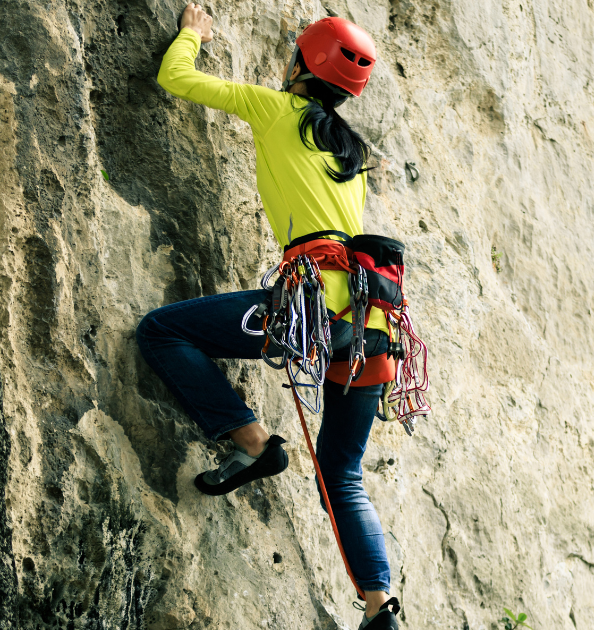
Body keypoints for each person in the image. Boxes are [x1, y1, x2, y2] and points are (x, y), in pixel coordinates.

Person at [136, 5, 400, 628]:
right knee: (343, 470)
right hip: (372, 327)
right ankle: (379, 604)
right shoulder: (353, 153)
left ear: (302, 65)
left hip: (309, 309)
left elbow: (178, 79)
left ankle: (253, 444)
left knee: (162, 331)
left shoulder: (277, 109)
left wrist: (192, 36)